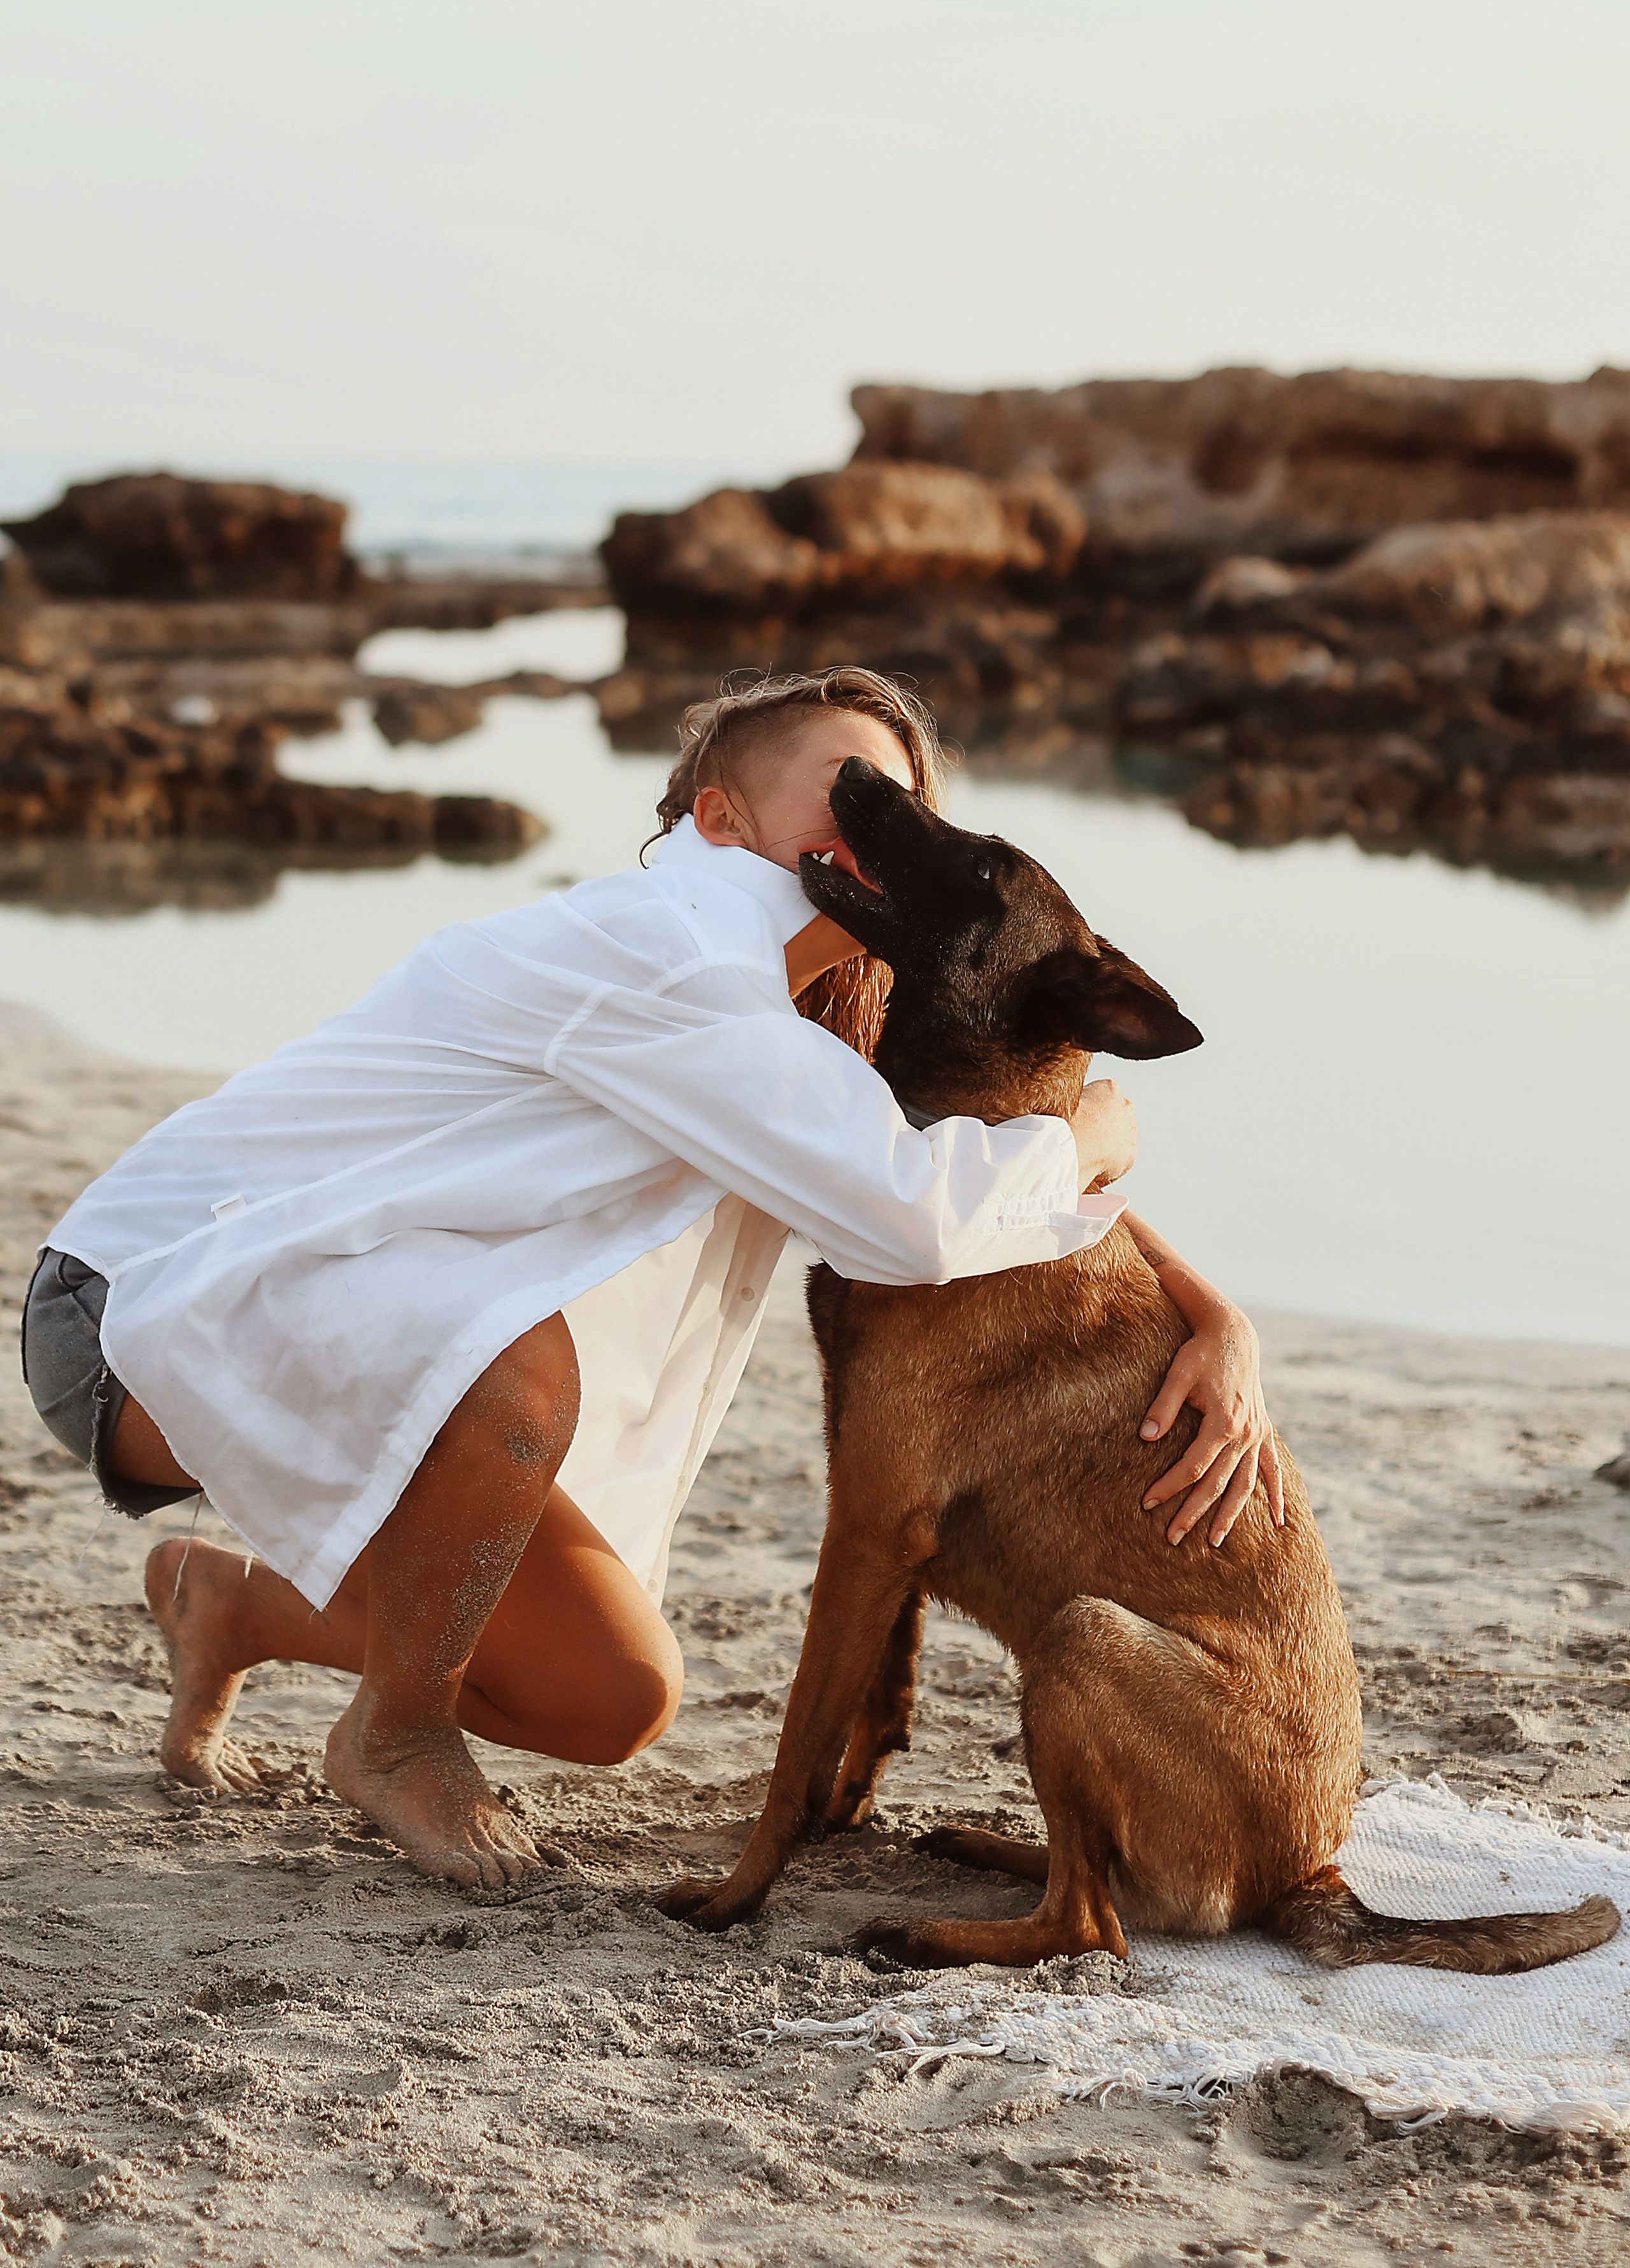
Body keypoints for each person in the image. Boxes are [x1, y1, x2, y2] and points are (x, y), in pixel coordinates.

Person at [20, 667, 1279, 1890]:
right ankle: (392, 1737)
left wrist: (1212, 1310)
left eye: (901, 806)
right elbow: (908, 1208)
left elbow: (932, 1158)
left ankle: (237, 1612)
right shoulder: (669, 946)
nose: (879, 828)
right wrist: (1083, 1141)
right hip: (135, 1309)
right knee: (509, 1369)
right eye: (847, 790)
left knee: (611, 1696)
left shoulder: (803, 1010)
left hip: (308, 1330)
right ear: (713, 816)